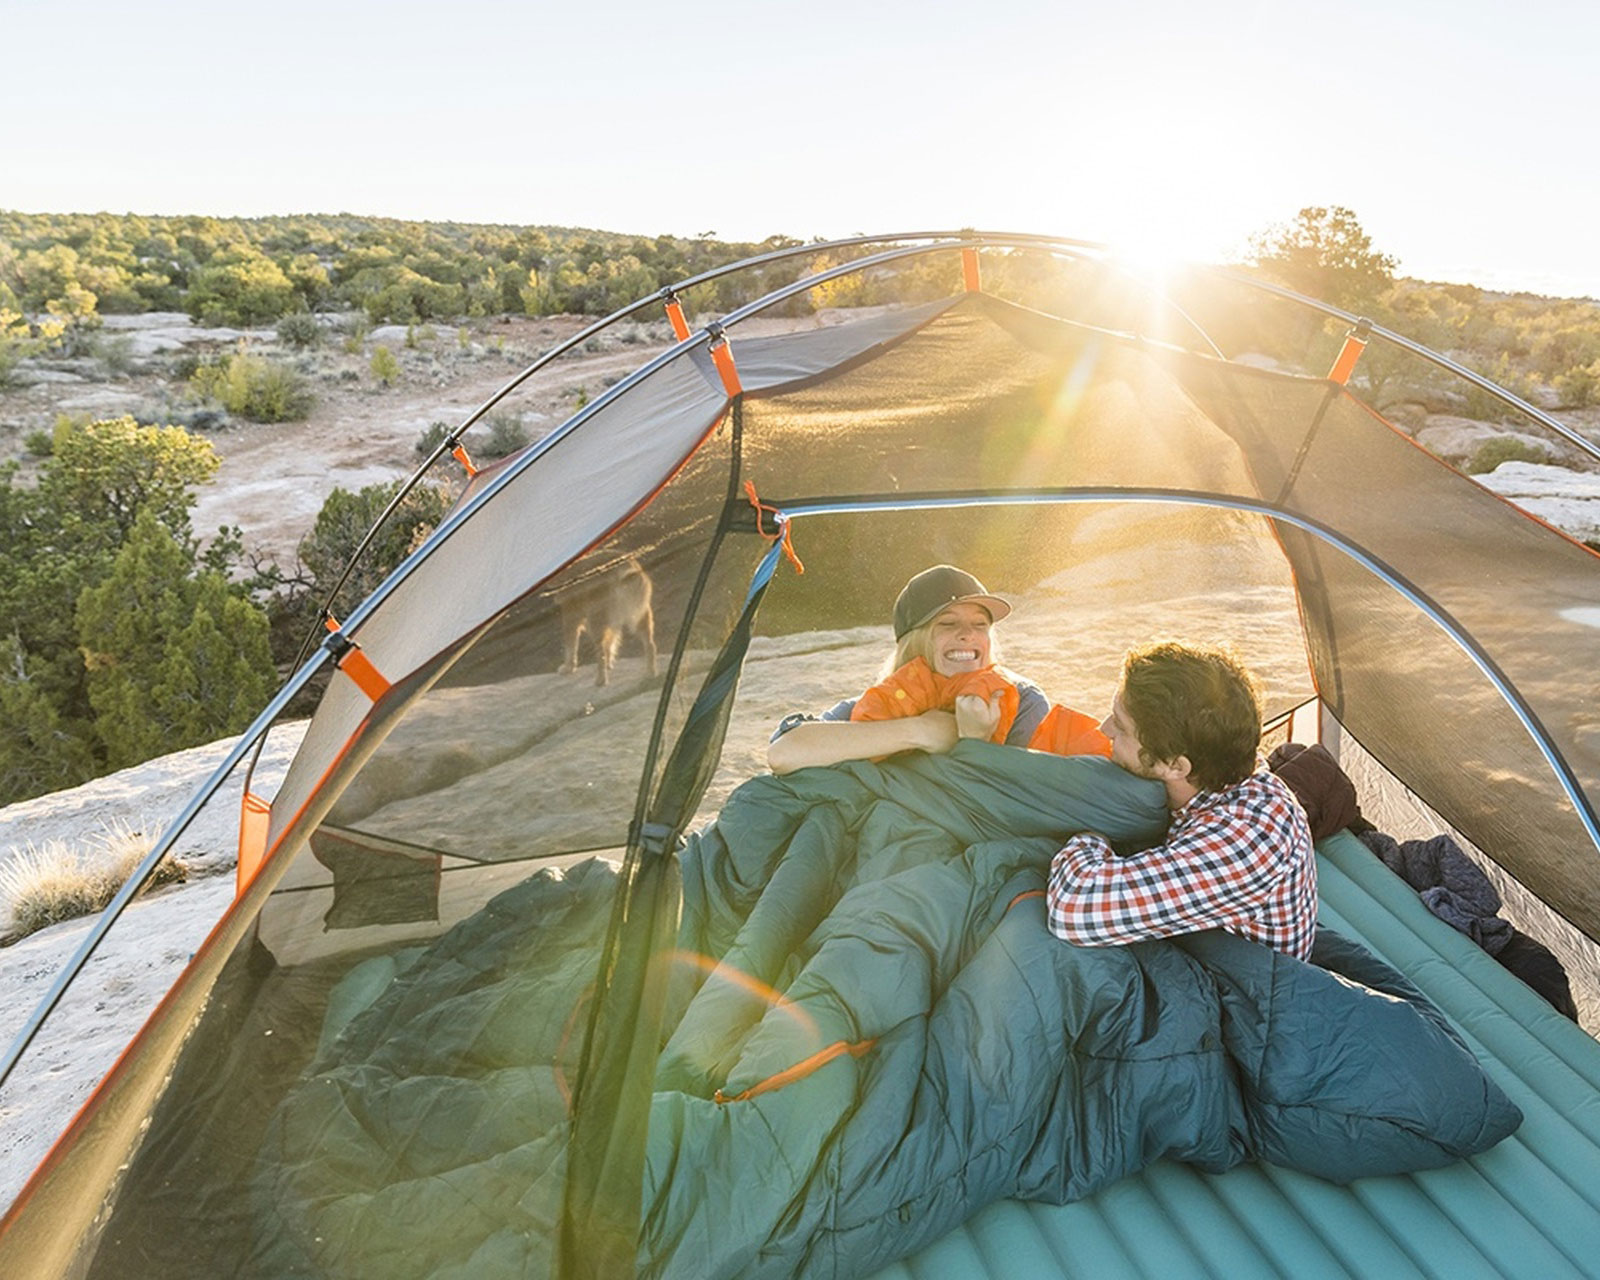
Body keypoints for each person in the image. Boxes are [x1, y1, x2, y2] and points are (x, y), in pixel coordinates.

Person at [1046, 641, 1317, 960]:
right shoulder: (1211, 777)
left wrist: (1090, 829)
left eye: (1120, 725)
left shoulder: (1244, 840)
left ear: (1176, 766)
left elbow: (1073, 911)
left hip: (1242, 995)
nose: (1104, 729)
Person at [769, 565, 1094, 774]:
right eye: (948, 623)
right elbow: (784, 753)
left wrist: (974, 740)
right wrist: (920, 731)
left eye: (979, 625)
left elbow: (1011, 802)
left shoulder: (1021, 700)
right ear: (914, 640)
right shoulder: (882, 703)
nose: (967, 634)